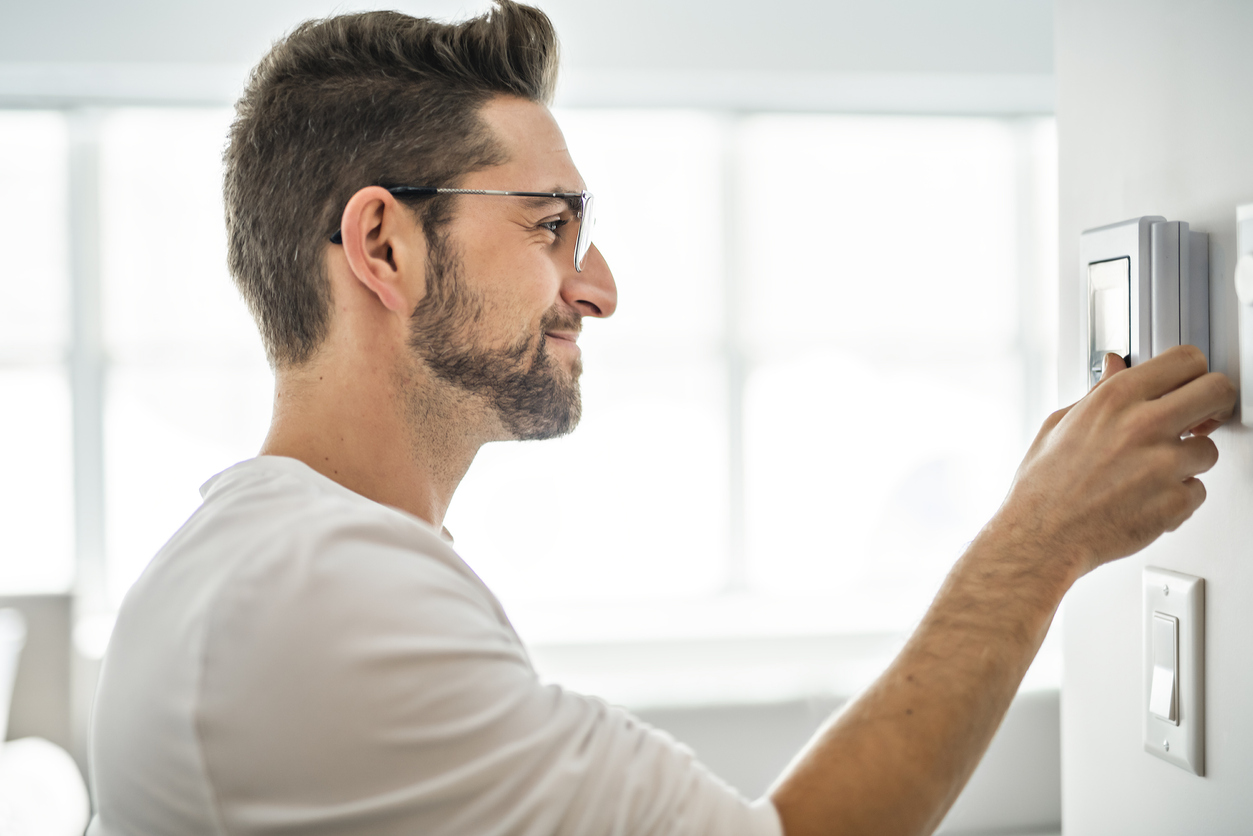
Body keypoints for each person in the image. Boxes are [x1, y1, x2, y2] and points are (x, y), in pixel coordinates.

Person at [86, 3, 1237, 835]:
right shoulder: (317, 593)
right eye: (547, 225)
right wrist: (1036, 544)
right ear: (382, 245)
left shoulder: (259, 562)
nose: (598, 286)